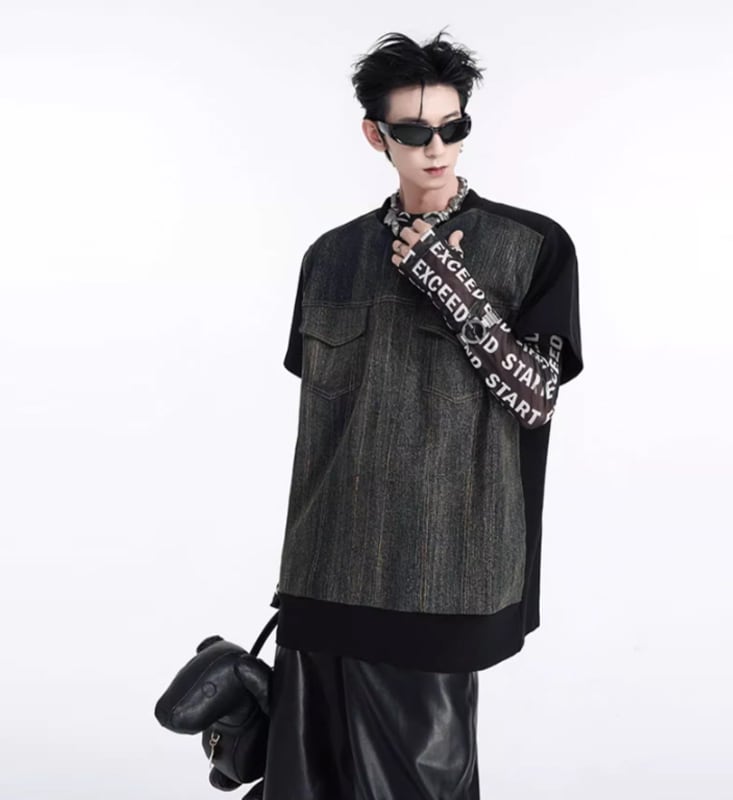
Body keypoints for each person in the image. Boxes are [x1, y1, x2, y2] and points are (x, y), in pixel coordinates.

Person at [261, 27, 584, 800]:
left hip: (446, 572)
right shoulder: (330, 256)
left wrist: (454, 289)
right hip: (324, 566)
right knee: (304, 786)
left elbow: (536, 399)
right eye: (413, 131)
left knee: (423, 785)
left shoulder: (531, 246)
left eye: (452, 126)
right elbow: (327, 425)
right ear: (376, 135)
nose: (436, 147)